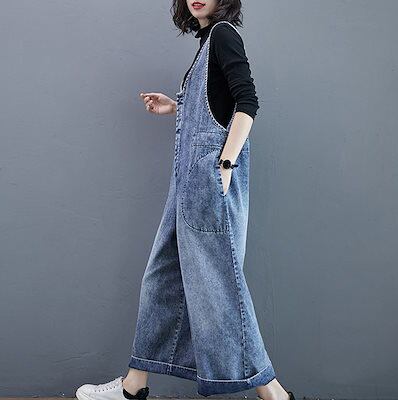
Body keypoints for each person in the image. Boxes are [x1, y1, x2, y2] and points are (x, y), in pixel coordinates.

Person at [75, 1, 296, 400]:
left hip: (207, 183)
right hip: (188, 185)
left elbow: (247, 103)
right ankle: (133, 386)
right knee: (163, 281)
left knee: (218, 287)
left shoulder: (224, 35)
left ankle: (273, 393)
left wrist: (225, 164)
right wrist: (176, 108)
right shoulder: (207, 41)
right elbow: (214, 109)